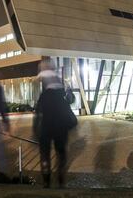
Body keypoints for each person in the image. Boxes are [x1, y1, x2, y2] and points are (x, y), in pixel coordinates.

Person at [33, 59, 77, 188]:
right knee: (61, 153)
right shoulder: (61, 91)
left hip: (46, 128)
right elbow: (71, 100)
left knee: (45, 154)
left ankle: (46, 181)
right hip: (61, 127)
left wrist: (35, 130)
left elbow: (38, 115)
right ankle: (61, 179)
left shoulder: (44, 96)